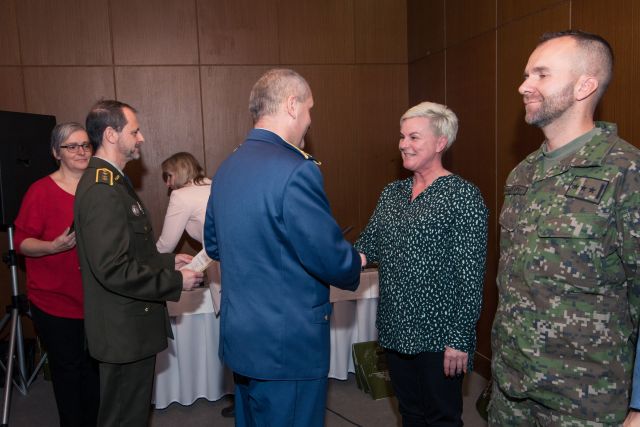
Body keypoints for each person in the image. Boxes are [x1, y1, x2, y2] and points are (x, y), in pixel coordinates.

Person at [490, 30, 640, 425]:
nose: (524, 86)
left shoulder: (626, 171)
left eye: (541, 75)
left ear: (584, 86)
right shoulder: (522, 174)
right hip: (511, 392)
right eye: (526, 75)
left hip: (585, 403)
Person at [203, 68, 362, 427]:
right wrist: (354, 260)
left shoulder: (227, 168)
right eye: (309, 109)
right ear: (292, 105)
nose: (310, 120)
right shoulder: (297, 170)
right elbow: (329, 257)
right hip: (287, 346)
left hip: (243, 339)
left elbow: (214, 244)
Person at [355, 101, 488, 426]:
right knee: (410, 413)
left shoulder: (463, 196)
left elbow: (471, 276)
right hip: (395, 328)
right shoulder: (392, 193)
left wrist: (460, 338)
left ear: (440, 142)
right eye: (402, 136)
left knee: (442, 418)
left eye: (414, 137)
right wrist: (322, 256)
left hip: (439, 335)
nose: (403, 144)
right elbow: (366, 247)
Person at [74, 100, 203, 426]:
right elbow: (113, 268)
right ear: (111, 134)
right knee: (124, 418)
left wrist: (168, 262)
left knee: (130, 415)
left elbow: (132, 252)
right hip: (123, 332)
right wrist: (176, 282)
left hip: (129, 327)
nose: (141, 138)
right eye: (134, 131)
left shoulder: (114, 182)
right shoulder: (103, 189)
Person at [13, 122, 99, 427]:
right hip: (56, 303)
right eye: (71, 146)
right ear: (55, 152)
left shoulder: (99, 188)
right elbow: (21, 242)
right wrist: (52, 246)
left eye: (85, 145)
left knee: (94, 371)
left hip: (96, 300)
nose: (81, 151)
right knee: (69, 373)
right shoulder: (40, 191)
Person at [155, 151, 233, 417]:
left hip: (222, 268)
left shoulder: (182, 196)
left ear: (178, 172)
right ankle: (246, 395)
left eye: (168, 176)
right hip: (241, 265)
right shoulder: (216, 184)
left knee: (230, 331)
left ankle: (242, 397)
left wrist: (142, 263)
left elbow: (166, 244)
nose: (167, 184)